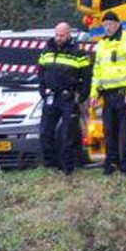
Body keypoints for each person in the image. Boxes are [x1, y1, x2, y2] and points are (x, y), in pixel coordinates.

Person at [91, 10, 126, 175]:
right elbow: (97, 71)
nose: (108, 27)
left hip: (124, 94)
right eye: (105, 25)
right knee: (109, 132)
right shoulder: (101, 45)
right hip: (108, 95)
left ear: (118, 24)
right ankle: (111, 166)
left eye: (110, 24)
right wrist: (94, 93)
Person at [36, 22, 91, 174]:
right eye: (57, 35)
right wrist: (43, 91)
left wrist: (80, 97)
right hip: (51, 96)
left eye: (62, 36)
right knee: (45, 133)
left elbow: (87, 77)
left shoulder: (78, 52)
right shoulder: (47, 49)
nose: (58, 38)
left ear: (68, 35)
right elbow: (40, 72)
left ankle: (67, 169)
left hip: (69, 97)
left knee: (68, 135)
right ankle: (50, 166)